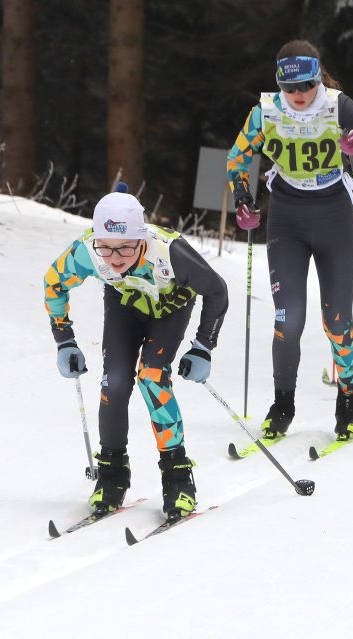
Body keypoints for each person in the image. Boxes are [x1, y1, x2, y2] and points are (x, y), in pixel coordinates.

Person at [227, 40, 353, 442]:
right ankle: (283, 404)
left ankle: (349, 397)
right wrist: (243, 200)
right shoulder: (265, 111)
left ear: (318, 78)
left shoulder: (338, 106)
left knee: (337, 321)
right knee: (288, 320)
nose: (299, 96)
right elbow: (237, 158)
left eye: (306, 86)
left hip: (333, 215)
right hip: (287, 219)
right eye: (291, 88)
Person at [44, 185, 229, 519]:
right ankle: (112, 473)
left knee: (152, 377)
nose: (115, 258)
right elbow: (53, 283)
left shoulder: (169, 251)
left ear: (141, 238)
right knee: (113, 383)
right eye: (107, 249)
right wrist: (65, 340)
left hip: (170, 308)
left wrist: (203, 346)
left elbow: (217, 291)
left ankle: (177, 477)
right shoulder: (88, 250)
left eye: (125, 248)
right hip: (125, 307)